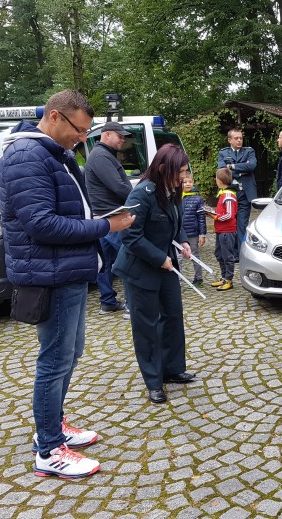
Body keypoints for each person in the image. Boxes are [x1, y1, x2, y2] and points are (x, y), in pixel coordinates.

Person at [0, 89, 135, 479]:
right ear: (55, 117)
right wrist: (107, 225)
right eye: (79, 130)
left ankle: (54, 427)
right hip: (50, 275)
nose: (82, 138)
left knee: (69, 353)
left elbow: (69, 210)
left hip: (66, 271)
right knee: (55, 360)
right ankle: (48, 450)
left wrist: (104, 218)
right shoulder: (28, 156)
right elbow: (41, 224)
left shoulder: (52, 153)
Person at [113, 144, 195, 404]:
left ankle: (172, 369)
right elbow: (129, 235)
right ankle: (153, 380)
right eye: (179, 171)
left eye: (185, 171)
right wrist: (160, 258)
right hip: (141, 269)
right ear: (162, 169)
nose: (183, 177)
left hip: (168, 266)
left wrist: (183, 241)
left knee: (172, 317)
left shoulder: (173, 190)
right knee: (146, 325)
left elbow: (175, 221)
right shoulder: (142, 194)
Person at [84, 121, 133, 315]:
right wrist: (139, 200)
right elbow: (119, 186)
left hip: (102, 218)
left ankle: (108, 302)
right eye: (119, 135)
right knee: (130, 258)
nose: (123, 139)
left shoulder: (102, 155)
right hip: (112, 218)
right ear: (107, 135)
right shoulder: (101, 156)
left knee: (105, 263)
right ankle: (131, 305)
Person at [217, 128, 256, 261]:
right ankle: (231, 253)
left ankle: (241, 254)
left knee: (242, 223)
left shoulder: (249, 151)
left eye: (240, 138)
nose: (239, 140)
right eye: (236, 138)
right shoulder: (223, 153)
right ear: (229, 140)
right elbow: (222, 171)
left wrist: (232, 167)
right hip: (231, 193)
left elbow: (251, 166)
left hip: (245, 193)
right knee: (230, 223)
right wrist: (241, 168)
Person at [208, 168, 238, 291]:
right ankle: (224, 277)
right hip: (220, 230)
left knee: (227, 256)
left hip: (227, 231)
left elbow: (229, 215)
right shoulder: (222, 194)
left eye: (216, 178)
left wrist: (215, 216)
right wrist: (211, 212)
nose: (215, 180)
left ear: (219, 181)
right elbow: (222, 212)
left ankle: (229, 280)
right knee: (219, 254)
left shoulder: (228, 195)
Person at [181, 175, 207, 286]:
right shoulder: (176, 197)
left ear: (193, 183)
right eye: (184, 182)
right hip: (179, 233)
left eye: (189, 182)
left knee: (194, 255)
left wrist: (202, 234)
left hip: (192, 233)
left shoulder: (198, 199)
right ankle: (178, 278)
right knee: (178, 257)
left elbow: (201, 218)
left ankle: (198, 278)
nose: (187, 184)